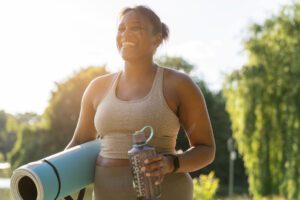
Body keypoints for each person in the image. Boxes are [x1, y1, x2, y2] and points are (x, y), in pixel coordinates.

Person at [65, 5, 215, 200]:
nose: (125, 33)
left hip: (167, 193)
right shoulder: (97, 87)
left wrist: (172, 163)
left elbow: (206, 149)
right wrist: (53, 178)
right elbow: (79, 142)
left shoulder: (179, 85)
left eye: (136, 28)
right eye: (121, 29)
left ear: (157, 38)